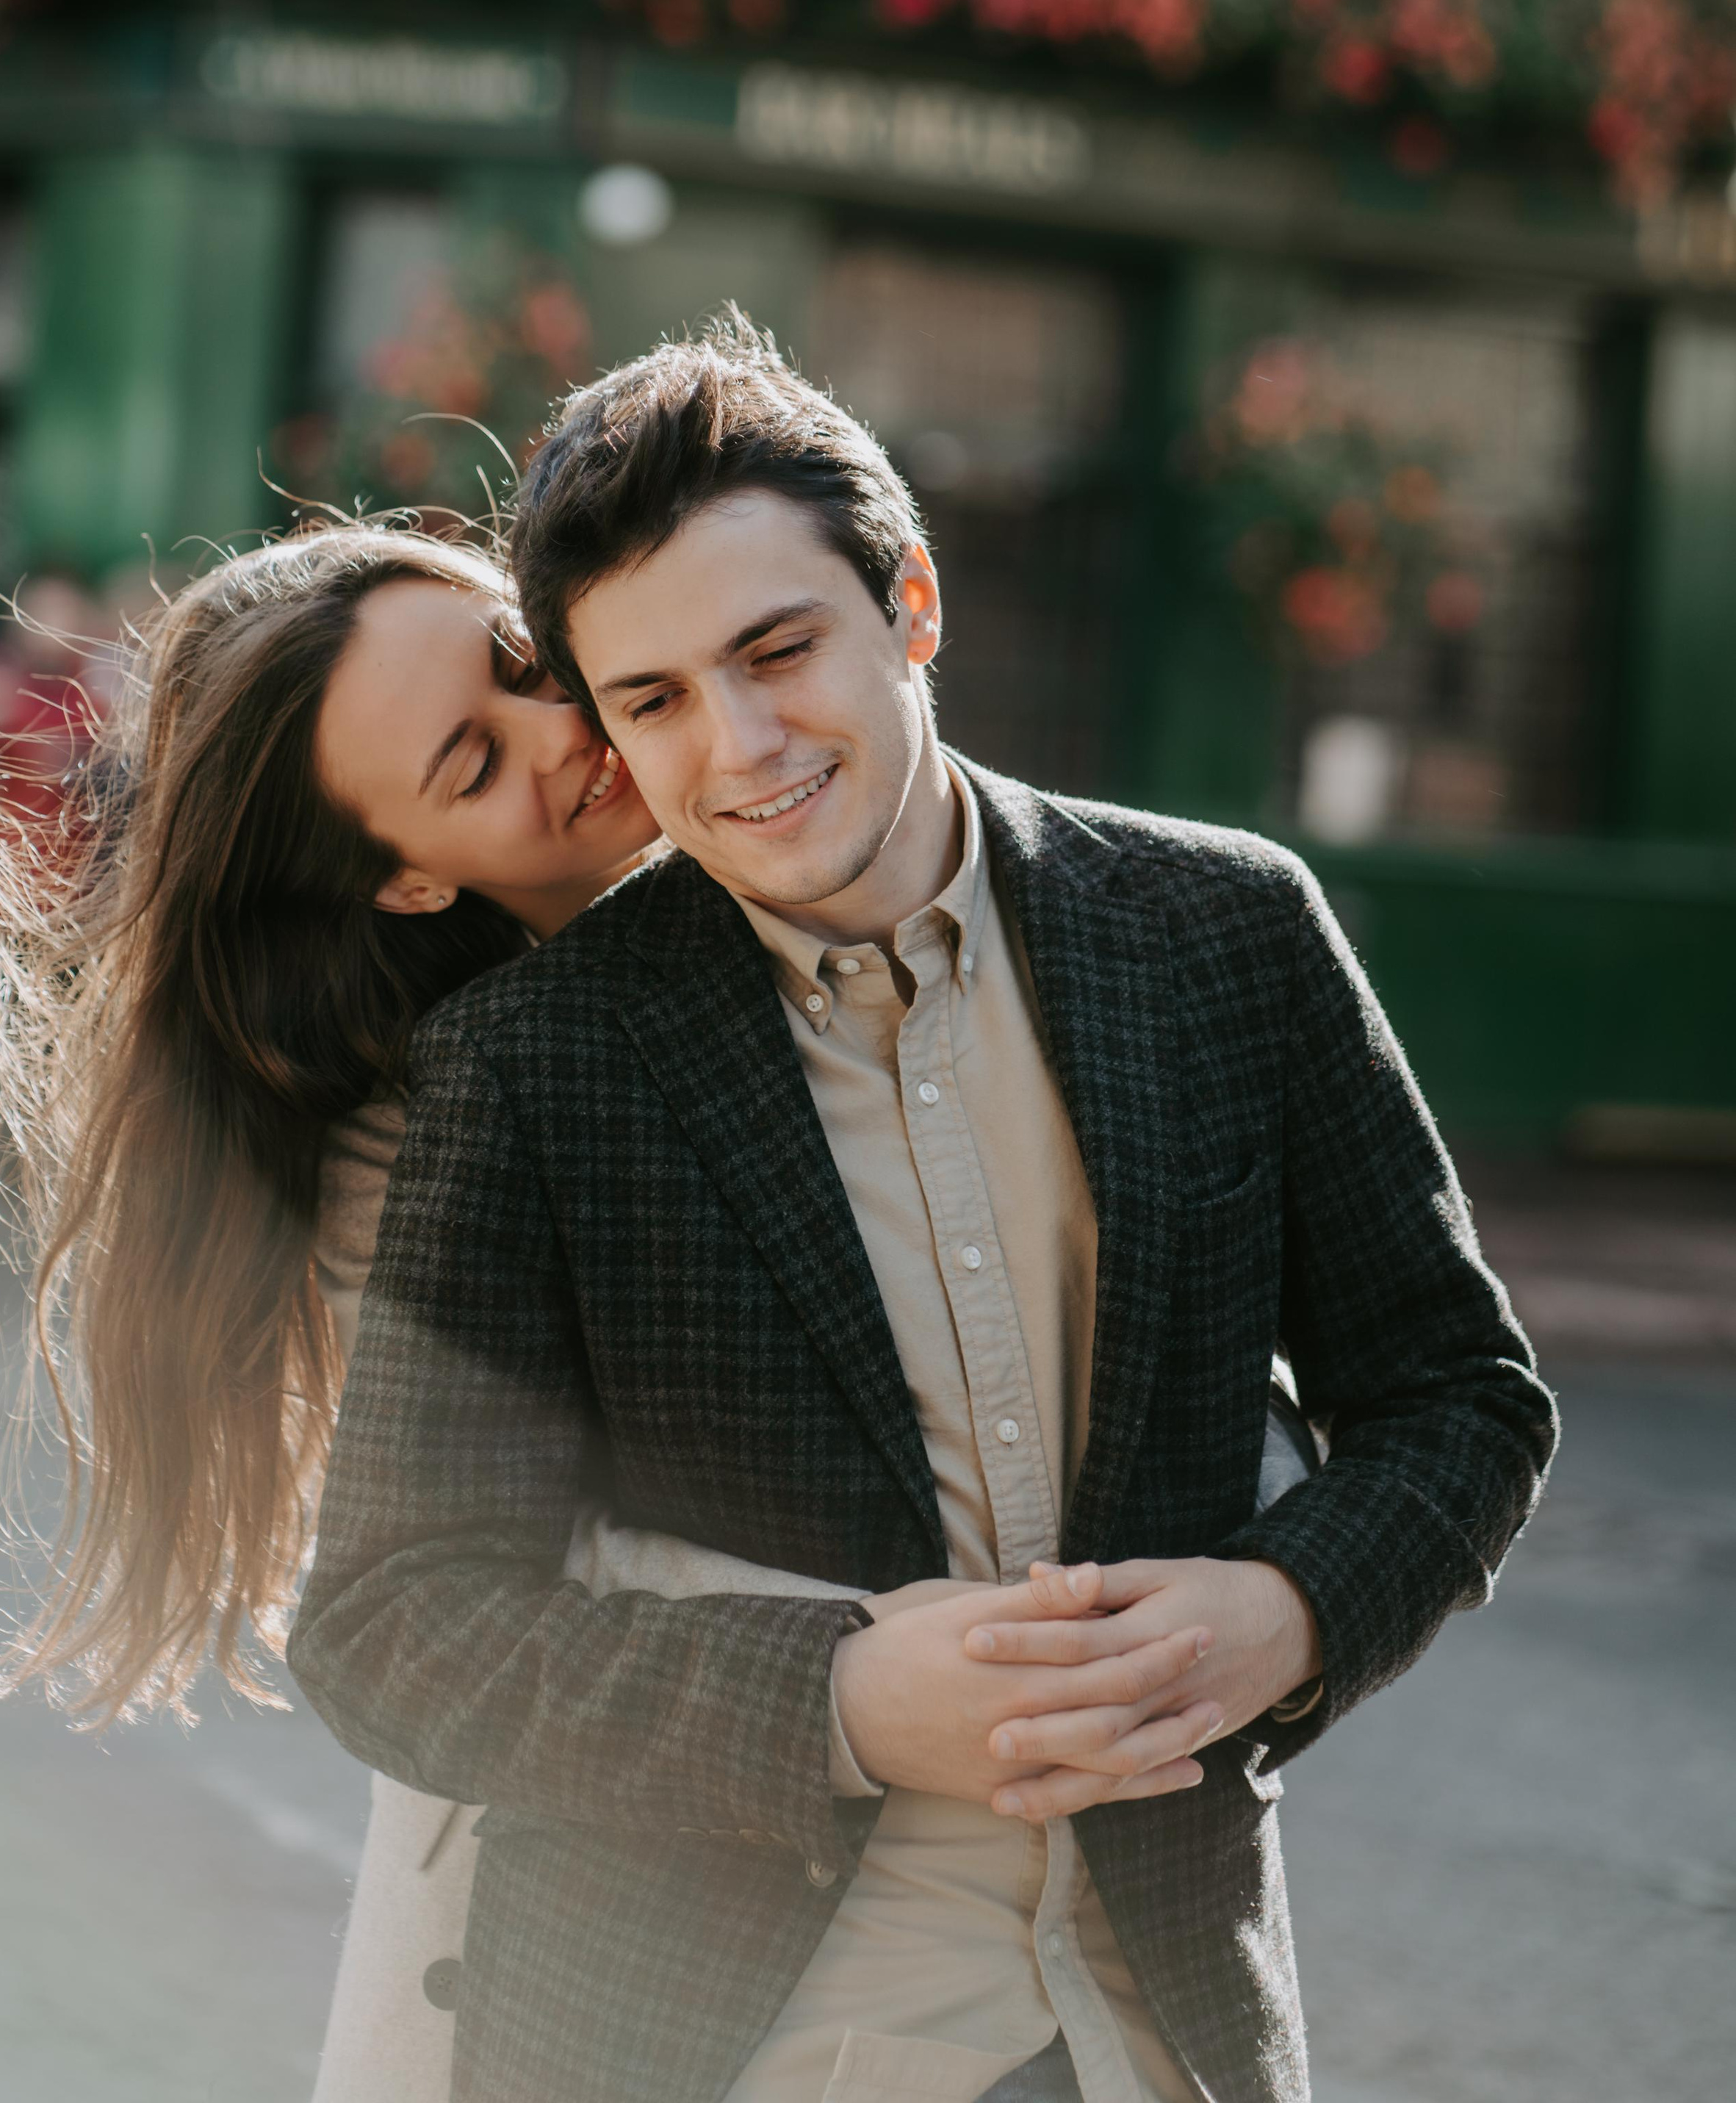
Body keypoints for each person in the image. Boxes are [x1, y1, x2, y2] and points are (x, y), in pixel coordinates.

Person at [291, 320, 1557, 2103]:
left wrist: (1286, 1617)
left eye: (778, 648)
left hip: (1152, 2023)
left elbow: (1457, 1398)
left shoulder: (1227, 934)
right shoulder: (527, 1069)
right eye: (650, 700)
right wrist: (834, 1702)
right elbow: (393, 1622)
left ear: (913, 608)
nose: (736, 745)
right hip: (714, 2047)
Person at [0, 518, 1137, 2103]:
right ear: (412, 872)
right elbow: (462, 1602)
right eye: (472, 761)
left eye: (527, 666)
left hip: (1074, 1933)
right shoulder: (440, 1129)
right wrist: (863, 1668)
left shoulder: (905, 904)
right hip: (643, 1948)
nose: (570, 738)